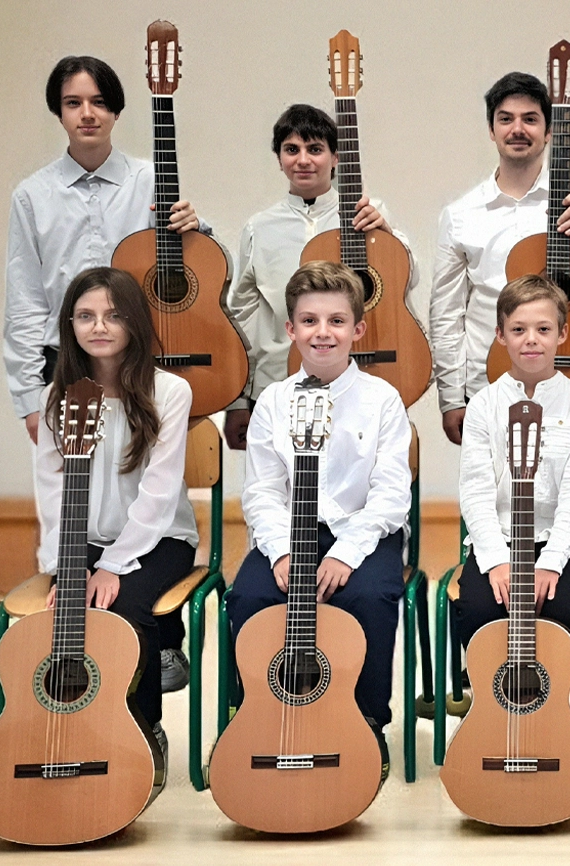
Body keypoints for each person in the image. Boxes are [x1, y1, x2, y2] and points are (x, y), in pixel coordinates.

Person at [5, 55, 209, 689]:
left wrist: (197, 228)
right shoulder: (32, 194)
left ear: (118, 110)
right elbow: (24, 299)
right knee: (78, 502)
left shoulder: (153, 179)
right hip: (62, 365)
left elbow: (190, 266)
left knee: (144, 482)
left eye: (98, 101)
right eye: (72, 102)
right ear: (59, 112)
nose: (86, 113)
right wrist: (27, 396)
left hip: (149, 361)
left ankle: (149, 672)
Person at [225, 261, 413, 768]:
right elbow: (262, 492)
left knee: (371, 595)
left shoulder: (383, 400)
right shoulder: (272, 402)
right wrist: (284, 553)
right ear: (290, 329)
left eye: (335, 320)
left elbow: (392, 494)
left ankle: (366, 721)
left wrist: (348, 553)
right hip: (291, 533)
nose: (322, 333)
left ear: (358, 329)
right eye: (309, 321)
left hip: (364, 534)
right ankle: (257, 715)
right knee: (250, 597)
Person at [37, 267, 199, 760]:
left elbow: (159, 493)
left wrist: (113, 565)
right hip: (80, 540)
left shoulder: (169, 392)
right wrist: (62, 568)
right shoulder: (55, 397)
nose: (99, 327)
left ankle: (143, 733)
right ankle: (64, 736)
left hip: (160, 538)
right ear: (70, 325)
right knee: (59, 615)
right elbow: (50, 491)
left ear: (135, 324)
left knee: (123, 610)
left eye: (113, 315)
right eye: (85, 316)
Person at [430, 71, 570, 444]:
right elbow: (446, 312)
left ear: (549, 131)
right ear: (491, 129)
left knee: (569, 495)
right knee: (493, 495)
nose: (518, 129)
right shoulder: (461, 213)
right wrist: (451, 397)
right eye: (506, 119)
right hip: (488, 380)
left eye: (530, 119)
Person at [455, 275, 570, 740]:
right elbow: (476, 492)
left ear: (562, 334)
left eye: (543, 329)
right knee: (480, 607)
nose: (531, 340)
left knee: (566, 610)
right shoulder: (483, 405)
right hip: (497, 535)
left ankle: (561, 702)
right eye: (518, 329)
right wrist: (496, 561)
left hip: (563, 537)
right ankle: (491, 704)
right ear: (500, 335)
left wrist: (552, 563)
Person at [224, 104, 416, 450]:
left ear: (335, 157)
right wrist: (239, 401)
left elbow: (406, 283)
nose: (303, 160)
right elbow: (239, 319)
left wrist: (387, 235)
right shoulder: (259, 228)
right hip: (279, 381)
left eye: (315, 149)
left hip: (369, 378)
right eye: (291, 149)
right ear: (279, 158)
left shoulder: (369, 215)